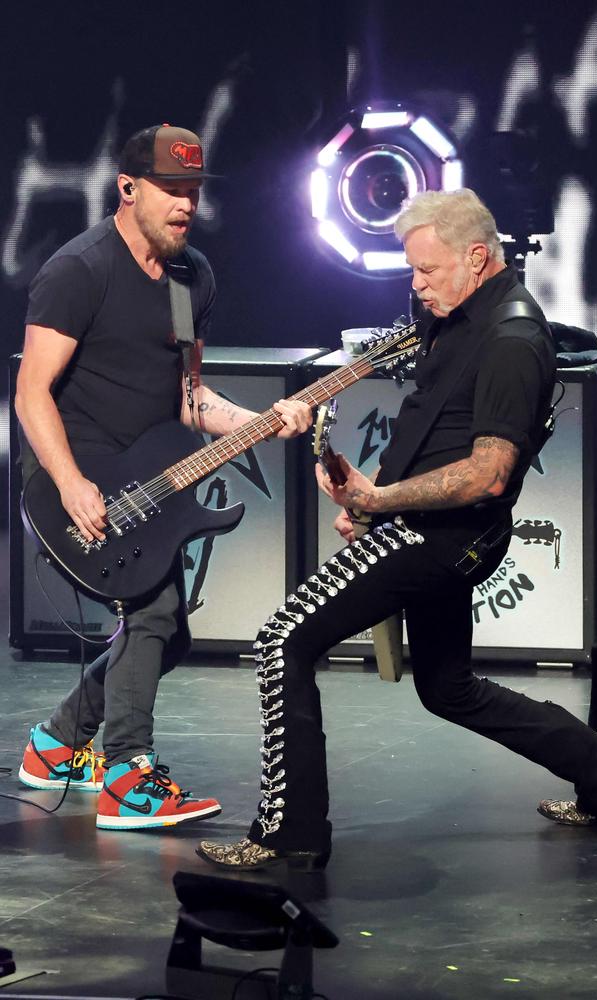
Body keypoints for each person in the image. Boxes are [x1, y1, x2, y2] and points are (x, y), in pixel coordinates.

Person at [196, 188, 597, 871]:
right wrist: (367, 496)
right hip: (418, 526)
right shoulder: (457, 315)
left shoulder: (514, 339)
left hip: (440, 541)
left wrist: (380, 499)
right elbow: (430, 424)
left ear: (476, 257)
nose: (416, 285)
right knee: (449, 689)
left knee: (281, 638)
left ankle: (290, 832)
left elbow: (489, 474)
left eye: (426, 271)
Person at [15, 123, 312, 831]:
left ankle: (54, 745)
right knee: (151, 614)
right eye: (170, 190)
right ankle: (127, 775)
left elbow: (190, 398)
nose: (185, 205)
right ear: (127, 188)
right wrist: (70, 482)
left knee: (167, 634)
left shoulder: (190, 278)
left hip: (154, 471)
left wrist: (261, 420)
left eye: (192, 192)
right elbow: (30, 392)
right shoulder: (79, 270)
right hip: (77, 478)